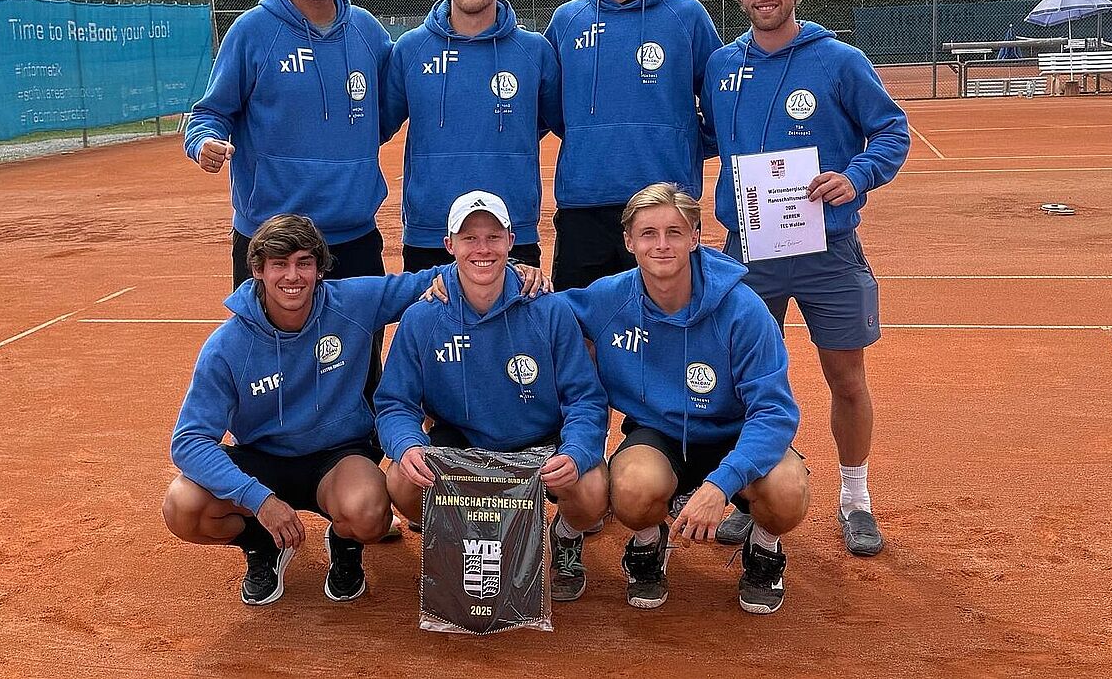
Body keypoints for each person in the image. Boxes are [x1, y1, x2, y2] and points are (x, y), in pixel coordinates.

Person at [161, 214, 546, 605]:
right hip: (260, 459)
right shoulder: (227, 346)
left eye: (304, 263)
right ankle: (262, 544)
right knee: (183, 506)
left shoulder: (352, 302)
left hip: (338, 458)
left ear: (320, 269)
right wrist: (258, 500)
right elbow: (190, 441)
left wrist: (512, 268)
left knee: (369, 513)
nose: (293, 276)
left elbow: (436, 278)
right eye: (279, 264)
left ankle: (344, 545)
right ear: (258, 270)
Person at [700, 0, 910, 557]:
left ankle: (855, 497)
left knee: (845, 376)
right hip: (749, 252)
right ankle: (755, 493)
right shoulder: (721, 67)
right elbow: (705, 139)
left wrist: (856, 177)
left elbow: (892, 131)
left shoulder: (839, 60)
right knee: (745, 380)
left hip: (828, 250)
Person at [560, 183, 809, 614]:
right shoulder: (608, 299)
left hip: (735, 434)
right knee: (631, 488)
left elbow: (774, 412)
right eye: (648, 233)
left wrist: (720, 485)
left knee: (788, 491)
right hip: (659, 434)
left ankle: (764, 547)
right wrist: (504, 277)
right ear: (629, 241)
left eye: (674, 232)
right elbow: (539, 311)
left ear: (694, 237)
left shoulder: (743, 309)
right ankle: (647, 543)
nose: (661, 244)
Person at [375, 191, 610, 603]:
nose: (482, 249)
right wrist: (407, 445)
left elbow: (585, 399)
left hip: (539, 445)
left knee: (591, 489)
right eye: (469, 238)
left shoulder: (549, 310)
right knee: (402, 479)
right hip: (462, 444)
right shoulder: (423, 317)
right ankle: (458, 539)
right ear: (449, 245)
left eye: (493, 237)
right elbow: (395, 402)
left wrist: (575, 452)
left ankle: (566, 535)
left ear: (511, 241)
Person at [183, 0, 393, 290]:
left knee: (361, 334)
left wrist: (353, 148)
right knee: (267, 334)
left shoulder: (368, 31)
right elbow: (210, 113)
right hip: (271, 239)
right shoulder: (251, 31)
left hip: (354, 238)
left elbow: (388, 109)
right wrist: (203, 142)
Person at [544, 0, 722, 290]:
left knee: (670, 319)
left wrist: (685, 144)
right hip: (584, 207)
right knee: (582, 323)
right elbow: (552, 110)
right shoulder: (566, 21)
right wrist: (590, 140)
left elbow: (721, 99)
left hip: (665, 204)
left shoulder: (686, 15)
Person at [381, 0, 562, 271]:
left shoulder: (535, 50)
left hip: (510, 229)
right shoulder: (410, 49)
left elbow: (556, 122)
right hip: (431, 231)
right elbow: (377, 124)